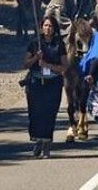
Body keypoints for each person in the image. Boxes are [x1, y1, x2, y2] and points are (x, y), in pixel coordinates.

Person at [23, 16, 68, 159]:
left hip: (53, 83)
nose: (48, 28)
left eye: (50, 26)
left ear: (54, 29)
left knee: (49, 114)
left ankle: (47, 144)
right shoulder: (35, 43)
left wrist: (48, 66)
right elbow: (25, 64)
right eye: (45, 25)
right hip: (36, 82)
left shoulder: (59, 45)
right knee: (35, 113)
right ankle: (37, 141)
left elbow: (64, 66)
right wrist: (36, 58)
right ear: (41, 27)